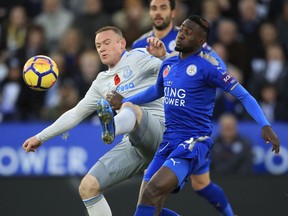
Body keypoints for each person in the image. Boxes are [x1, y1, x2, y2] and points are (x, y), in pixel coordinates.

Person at [115, 15, 279, 215]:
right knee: (149, 204)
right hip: (168, 141)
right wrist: (125, 100)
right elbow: (156, 91)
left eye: (188, 32)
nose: (181, 35)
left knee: (152, 191)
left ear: (201, 41)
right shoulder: (169, 64)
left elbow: (244, 96)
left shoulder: (209, 66)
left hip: (193, 142)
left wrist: (265, 124)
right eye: (181, 29)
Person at [22, 26, 174, 216]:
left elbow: (179, 73)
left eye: (107, 43)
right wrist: (40, 137)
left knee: (129, 106)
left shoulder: (139, 56)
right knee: (88, 187)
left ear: (122, 43)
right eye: (98, 45)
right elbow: (75, 114)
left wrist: (163, 56)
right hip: (136, 143)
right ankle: (113, 127)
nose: (101, 48)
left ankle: (112, 126)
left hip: (163, 134)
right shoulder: (101, 82)